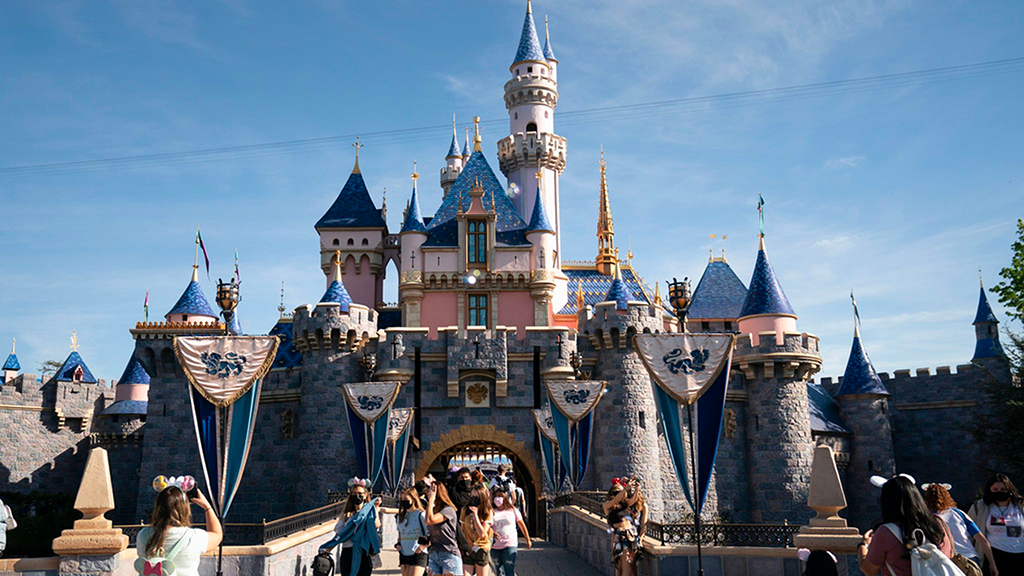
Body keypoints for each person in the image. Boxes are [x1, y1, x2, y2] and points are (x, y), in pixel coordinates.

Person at [857, 475, 955, 576]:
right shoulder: (938, 525)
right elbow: (950, 555)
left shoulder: (886, 532)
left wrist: (863, 546)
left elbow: (869, 570)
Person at [136, 486, 223, 576]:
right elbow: (217, 534)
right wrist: (207, 507)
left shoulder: (143, 535)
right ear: (184, 509)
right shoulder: (194, 537)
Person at [924, 483, 997, 575]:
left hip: (946, 561)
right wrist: (992, 564)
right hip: (969, 560)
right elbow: (983, 540)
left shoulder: (927, 519)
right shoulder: (959, 513)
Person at [320, 479, 382, 576]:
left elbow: (376, 525)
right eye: (354, 493)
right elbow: (340, 535)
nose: (357, 496)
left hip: (364, 553)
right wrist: (328, 548)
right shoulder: (346, 515)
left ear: (365, 495)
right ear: (351, 496)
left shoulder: (370, 511)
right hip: (348, 552)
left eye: (360, 493)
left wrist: (376, 509)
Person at [969, 473, 1024, 575]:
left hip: (1020, 554)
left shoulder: (1020, 505)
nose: (1000, 492)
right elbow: (968, 532)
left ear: (1010, 489)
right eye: (995, 489)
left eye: (1003, 489)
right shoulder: (980, 507)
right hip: (993, 556)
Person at [603, 478, 642, 576]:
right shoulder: (608, 506)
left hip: (631, 536)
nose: (622, 494)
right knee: (625, 567)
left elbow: (633, 500)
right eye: (619, 492)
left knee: (631, 568)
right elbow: (616, 500)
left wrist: (637, 490)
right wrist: (625, 489)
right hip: (621, 537)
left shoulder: (624, 505)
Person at [489, 487, 531, 576]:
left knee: (509, 568)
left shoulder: (513, 510)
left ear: (505, 498)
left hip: (509, 544)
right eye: (496, 496)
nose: (497, 498)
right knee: (496, 571)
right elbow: (487, 526)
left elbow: (521, 525)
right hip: (495, 546)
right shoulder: (491, 512)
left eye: (500, 496)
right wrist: (492, 532)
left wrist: (527, 539)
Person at [424, 482, 463, 576]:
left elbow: (429, 520)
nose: (428, 492)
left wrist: (431, 500)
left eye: (431, 490)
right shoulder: (432, 511)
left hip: (449, 554)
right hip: (434, 553)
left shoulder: (448, 510)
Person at [460, 484, 493, 576]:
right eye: (472, 496)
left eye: (477, 497)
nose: (474, 499)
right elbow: (462, 530)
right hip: (468, 548)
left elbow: (482, 535)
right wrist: (463, 544)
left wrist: (476, 516)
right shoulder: (465, 510)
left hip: (481, 548)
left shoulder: (487, 512)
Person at [395, 487, 429, 576]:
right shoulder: (400, 517)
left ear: (414, 499)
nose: (403, 501)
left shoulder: (421, 515)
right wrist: (398, 544)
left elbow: (431, 535)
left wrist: (422, 547)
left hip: (418, 553)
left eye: (406, 499)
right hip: (404, 553)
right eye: (401, 499)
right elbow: (400, 535)